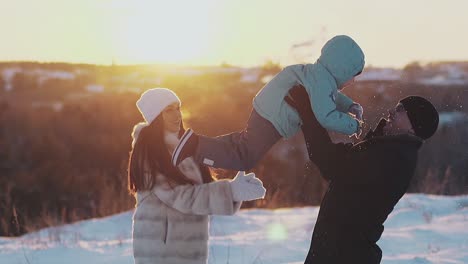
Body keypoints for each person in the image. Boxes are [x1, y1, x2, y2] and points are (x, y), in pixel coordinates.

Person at [285, 85, 439, 264]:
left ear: (413, 126)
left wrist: (307, 111)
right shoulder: (391, 150)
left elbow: (328, 160)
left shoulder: (394, 158)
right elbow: (341, 159)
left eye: (400, 110)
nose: (391, 112)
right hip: (338, 251)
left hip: (343, 255)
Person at [171, 35, 365, 170]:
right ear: (341, 69)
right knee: (245, 158)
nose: (353, 81)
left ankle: (194, 144)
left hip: (269, 109)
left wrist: (350, 106)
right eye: (353, 75)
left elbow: (331, 98)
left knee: (241, 143)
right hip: (273, 116)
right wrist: (353, 125)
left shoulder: (319, 77)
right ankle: (194, 146)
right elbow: (326, 115)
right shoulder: (322, 82)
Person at [128, 88, 266, 264]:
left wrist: (234, 188)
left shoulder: (184, 147)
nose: (176, 114)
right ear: (155, 117)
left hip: (188, 250)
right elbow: (181, 197)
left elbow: (200, 192)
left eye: (178, 108)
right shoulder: (150, 153)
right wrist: (230, 191)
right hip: (161, 251)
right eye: (168, 110)